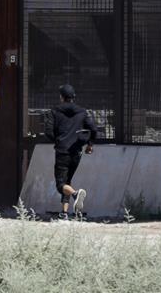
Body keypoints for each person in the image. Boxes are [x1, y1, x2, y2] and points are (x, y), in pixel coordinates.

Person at [44, 84, 100, 219]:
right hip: (76, 152)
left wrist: (58, 140)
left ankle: (75, 194)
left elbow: (48, 132)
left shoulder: (54, 112)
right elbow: (94, 129)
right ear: (73, 97)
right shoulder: (82, 112)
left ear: (61, 97)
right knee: (67, 181)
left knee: (60, 185)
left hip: (62, 152)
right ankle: (64, 213)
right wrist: (90, 145)